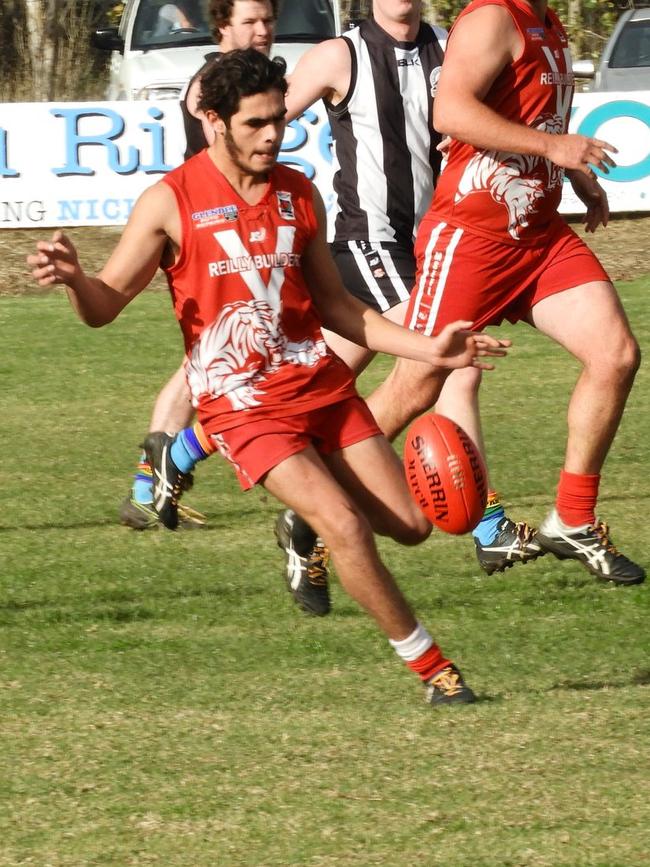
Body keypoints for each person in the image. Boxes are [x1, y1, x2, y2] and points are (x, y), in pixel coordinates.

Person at [28, 49, 509, 707]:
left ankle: (303, 522)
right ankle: (437, 673)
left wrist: (432, 349)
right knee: (346, 524)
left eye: (278, 120)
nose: (273, 134)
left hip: (322, 388)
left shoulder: (297, 191)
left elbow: (340, 308)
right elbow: (106, 304)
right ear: (214, 122)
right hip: (244, 408)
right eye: (255, 123)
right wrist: (77, 279)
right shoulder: (169, 202)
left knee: (412, 525)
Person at [158, 0, 543, 617]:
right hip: (370, 242)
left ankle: (199, 461)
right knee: (452, 365)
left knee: (297, 377)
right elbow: (260, 118)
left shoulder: (452, 43)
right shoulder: (343, 53)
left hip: (433, 238)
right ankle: (487, 526)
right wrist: (209, 199)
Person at [404, 0, 644, 585]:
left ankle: (572, 518)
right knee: (415, 385)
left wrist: (576, 172)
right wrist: (554, 150)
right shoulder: (492, 16)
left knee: (615, 356)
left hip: (537, 237)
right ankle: (319, 497)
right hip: (471, 235)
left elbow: (535, 121)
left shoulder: (547, 19)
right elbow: (450, 110)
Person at [119, 0, 277, 531]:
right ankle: (151, 484)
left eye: (268, 20)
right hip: (210, 240)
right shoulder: (213, 82)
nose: (262, 30)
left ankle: (150, 487)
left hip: (237, 237)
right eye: (250, 21)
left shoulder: (254, 80)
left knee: (200, 368)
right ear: (222, 26)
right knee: (213, 365)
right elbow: (200, 113)